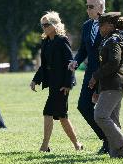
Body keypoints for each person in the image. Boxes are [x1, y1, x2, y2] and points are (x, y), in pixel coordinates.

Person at [30, 11, 83, 152]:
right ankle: (77, 145)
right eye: (42, 25)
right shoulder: (46, 41)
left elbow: (70, 63)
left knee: (48, 112)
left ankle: (44, 146)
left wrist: (68, 84)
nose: (44, 27)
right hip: (53, 83)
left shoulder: (62, 40)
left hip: (62, 85)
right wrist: (35, 79)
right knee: (62, 116)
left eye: (46, 24)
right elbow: (44, 64)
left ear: (54, 25)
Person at [68, 0, 108, 154]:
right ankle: (106, 138)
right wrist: (75, 60)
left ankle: (113, 142)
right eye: (87, 6)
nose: (88, 9)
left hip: (106, 73)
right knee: (83, 106)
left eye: (91, 6)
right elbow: (84, 49)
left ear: (101, 7)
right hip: (90, 73)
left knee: (105, 112)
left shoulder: (110, 24)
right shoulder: (86, 25)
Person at [88, 12, 123, 158]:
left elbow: (114, 62)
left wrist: (95, 75)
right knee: (112, 119)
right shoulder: (108, 39)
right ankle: (117, 153)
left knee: (100, 116)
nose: (99, 27)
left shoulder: (114, 40)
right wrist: (98, 89)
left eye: (102, 24)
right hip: (110, 86)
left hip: (115, 84)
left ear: (111, 25)